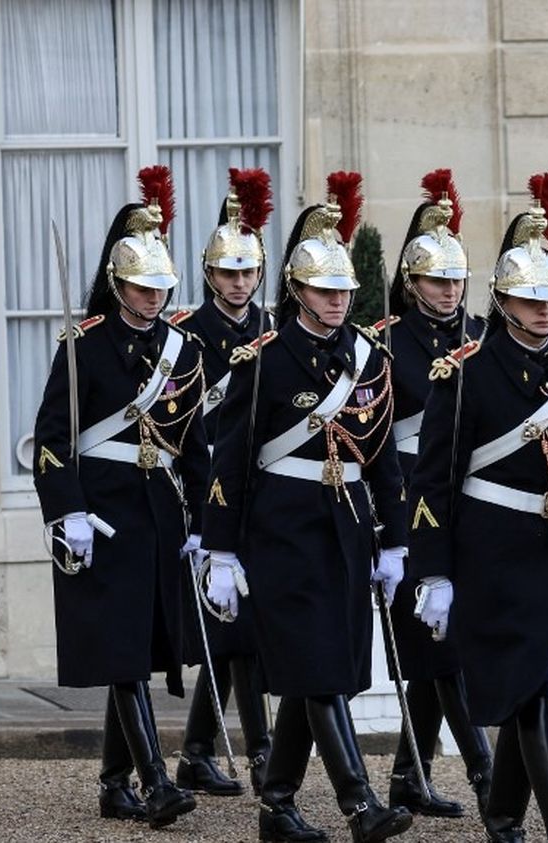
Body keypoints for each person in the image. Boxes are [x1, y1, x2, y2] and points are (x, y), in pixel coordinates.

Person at [200, 171, 413, 843]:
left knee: (315, 669)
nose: (337, 301)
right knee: (317, 664)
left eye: (344, 291)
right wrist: (220, 549)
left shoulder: (368, 360)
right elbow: (230, 461)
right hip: (282, 529)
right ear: (297, 290)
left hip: (345, 527)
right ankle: (359, 803)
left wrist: (395, 539)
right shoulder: (263, 360)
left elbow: (381, 454)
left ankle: (277, 806)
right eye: (324, 291)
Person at [408, 171, 548, 843]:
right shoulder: (467, 372)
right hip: (497, 551)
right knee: (536, 685)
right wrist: (434, 570)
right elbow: (433, 483)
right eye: (529, 300)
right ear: (502, 301)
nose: (544, 310)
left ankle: (502, 816)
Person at [33, 165, 205, 828]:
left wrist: (203, 523)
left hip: (158, 514)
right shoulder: (84, 346)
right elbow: (52, 438)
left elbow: (194, 443)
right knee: (122, 649)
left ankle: (113, 782)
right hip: (102, 514)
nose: (152, 297)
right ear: (117, 282)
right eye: (140, 286)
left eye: (160, 286)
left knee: (133, 647)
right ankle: (156, 782)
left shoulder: (183, 350)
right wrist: (66, 509)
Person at [378, 168, 493, 820]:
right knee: (440, 646)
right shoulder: (386, 343)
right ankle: (484, 772)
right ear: (411, 282)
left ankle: (408, 776)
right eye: (435, 280)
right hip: (412, 503)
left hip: (472, 504)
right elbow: (375, 440)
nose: (448, 291)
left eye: (455, 280)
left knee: (436, 643)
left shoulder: (483, 337)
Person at [169, 166, 276, 798]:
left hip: (265, 491)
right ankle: (260, 751)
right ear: (210, 276)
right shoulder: (185, 336)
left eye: (247, 273)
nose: (239, 284)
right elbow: (174, 422)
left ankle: (197, 752)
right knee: (232, 624)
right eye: (228, 274)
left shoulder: (275, 331)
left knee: (242, 622)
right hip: (206, 487)